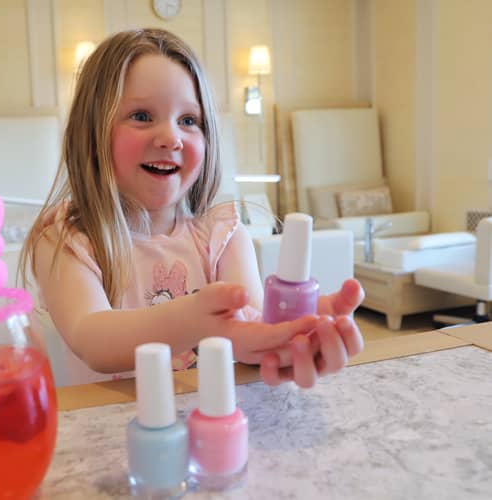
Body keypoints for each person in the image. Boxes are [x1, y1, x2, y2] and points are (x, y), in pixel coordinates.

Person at [20, 28, 364, 388]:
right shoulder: (67, 239)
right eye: (141, 116)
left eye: (188, 121)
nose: (171, 138)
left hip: (212, 428)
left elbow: (247, 334)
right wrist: (196, 320)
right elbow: (92, 339)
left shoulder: (222, 236)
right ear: (91, 134)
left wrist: (290, 333)